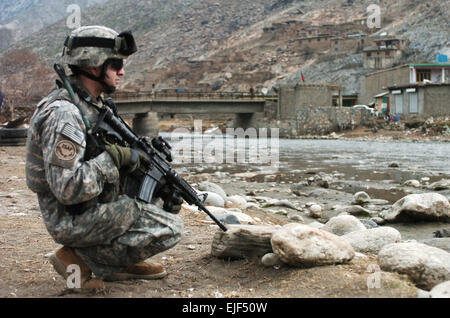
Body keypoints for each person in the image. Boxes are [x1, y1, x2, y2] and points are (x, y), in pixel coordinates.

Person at [25, 25, 184, 291]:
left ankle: (118, 262)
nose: (122, 71)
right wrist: (114, 160)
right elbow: (67, 188)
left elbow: (107, 155)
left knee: (162, 198)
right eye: (115, 64)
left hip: (91, 206)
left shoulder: (94, 106)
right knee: (172, 227)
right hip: (69, 217)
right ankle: (77, 261)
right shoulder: (65, 114)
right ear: (93, 65)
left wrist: (142, 158)